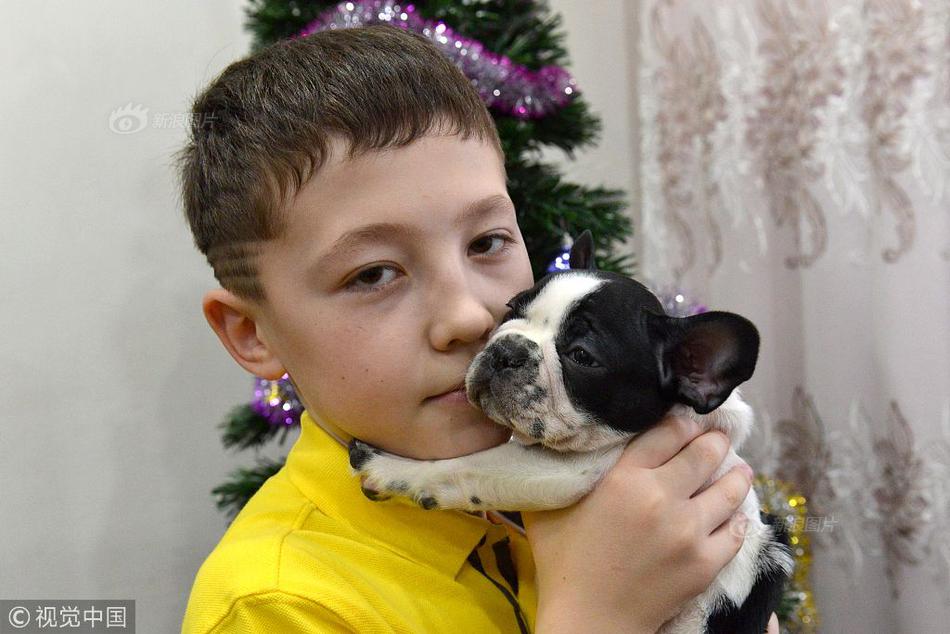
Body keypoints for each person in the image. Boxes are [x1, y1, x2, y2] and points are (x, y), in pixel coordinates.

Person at [177, 24, 778, 633]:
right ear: (253, 334)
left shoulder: (605, 472)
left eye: (488, 241)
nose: (469, 316)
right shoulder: (274, 605)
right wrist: (596, 616)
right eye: (373, 274)